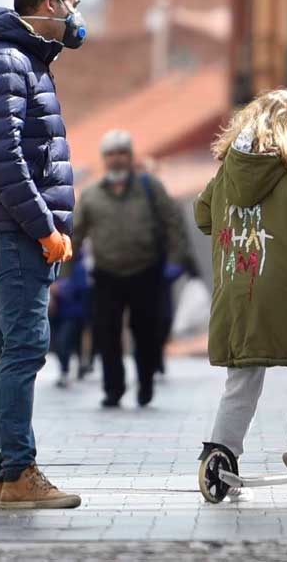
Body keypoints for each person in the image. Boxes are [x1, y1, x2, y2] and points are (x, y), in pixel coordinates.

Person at [0, 0, 84, 511]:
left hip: (10, 229)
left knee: (2, 352)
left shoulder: (19, 60)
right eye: (74, 3)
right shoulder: (8, 62)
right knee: (25, 350)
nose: (79, 17)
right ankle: (18, 473)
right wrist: (45, 227)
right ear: (51, 2)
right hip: (16, 232)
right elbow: (3, 157)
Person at [194, 90, 287, 500]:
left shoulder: (226, 173)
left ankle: (220, 455)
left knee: (241, 380)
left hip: (236, 291)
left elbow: (202, 215)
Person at [71, 129, 192, 408]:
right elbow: (75, 236)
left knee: (146, 333)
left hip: (145, 272)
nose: (116, 160)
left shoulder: (150, 187)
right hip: (106, 275)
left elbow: (174, 223)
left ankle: (146, 383)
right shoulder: (90, 195)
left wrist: (175, 260)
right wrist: (63, 276)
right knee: (107, 334)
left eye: (122, 153)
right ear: (104, 159)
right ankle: (113, 389)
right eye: (111, 154)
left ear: (130, 157)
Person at [49, 247, 92, 389]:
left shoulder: (78, 266)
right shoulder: (54, 262)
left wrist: (59, 289)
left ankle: (72, 368)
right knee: (61, 343)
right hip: (58, 313)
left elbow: (82, 288)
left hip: (73, 313)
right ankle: (67, 369)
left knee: (66, 341)